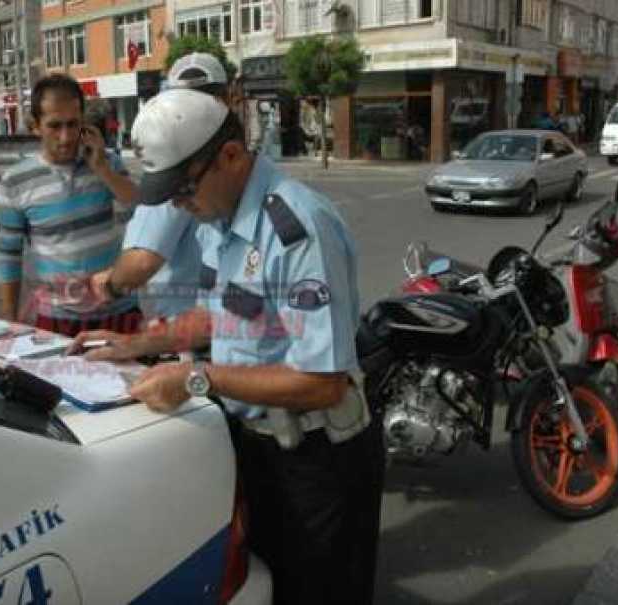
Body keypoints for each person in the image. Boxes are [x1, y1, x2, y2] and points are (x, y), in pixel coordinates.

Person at [70, 89, 385, 605]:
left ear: (232, 157)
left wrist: (197, 378)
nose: (179, 205)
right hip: (255, 443)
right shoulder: (220, 218)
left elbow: (323, 382)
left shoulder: (297, 228)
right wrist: (140, 343)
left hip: (317, 460)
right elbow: (228, 314)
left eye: (184, 189)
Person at [0, 73, 140, 336]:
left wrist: (102, 169)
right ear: (35, 126)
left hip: (119, 311)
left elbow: (141, 210)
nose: (66, 137)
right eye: (54, 125)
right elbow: (9, 255)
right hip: (56, 319)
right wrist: (9, 319)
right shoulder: (14, 181)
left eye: (73, 124)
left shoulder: (106, 162)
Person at [92, 52, 230, 322]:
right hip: (220, 322)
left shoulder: (176, 161)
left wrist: (109, 284)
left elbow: (141, 262)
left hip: (184, 325)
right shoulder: (240, 164)